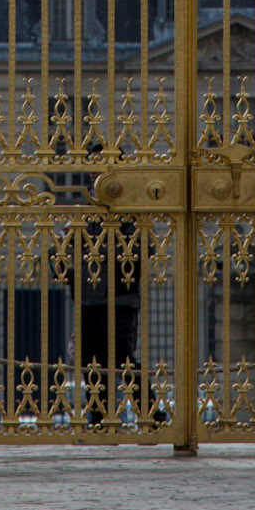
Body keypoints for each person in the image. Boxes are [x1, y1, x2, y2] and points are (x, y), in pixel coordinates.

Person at [78, 153, 141, 427]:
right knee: (91, 361)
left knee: (123, 360)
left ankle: (149, 411)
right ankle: (98, 416)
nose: (93, 172)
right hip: (88, 296)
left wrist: (96, 250)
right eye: (91, 166)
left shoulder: (128, 206)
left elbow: (139, 249)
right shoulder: (86, 205)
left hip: (118, 296)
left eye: (100, 166)